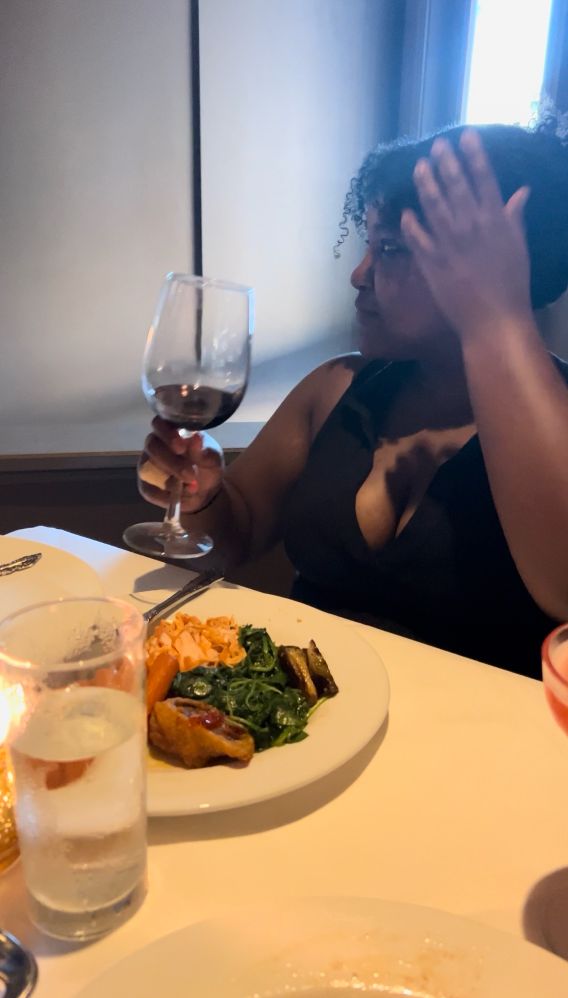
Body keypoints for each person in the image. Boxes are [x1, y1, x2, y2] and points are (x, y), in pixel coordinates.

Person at [138, 122, 568, 678]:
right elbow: (235, 535)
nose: (359, 274)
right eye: (367, 245)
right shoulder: (337, 386)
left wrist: (495, 317)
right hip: (306, 723)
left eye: (389, 249)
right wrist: (198, 499)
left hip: (475, 751)